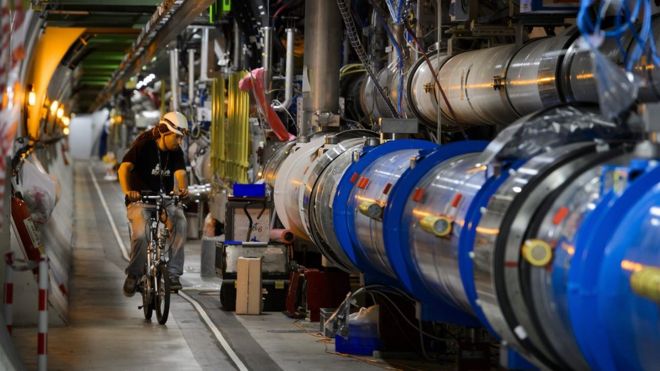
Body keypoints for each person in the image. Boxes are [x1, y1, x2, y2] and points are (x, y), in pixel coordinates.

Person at [118, 111, 190, 297]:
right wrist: (128, 192)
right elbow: (124, 168)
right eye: (177, 137)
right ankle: (134, 274)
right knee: (141, 234)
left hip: (163, 199)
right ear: (165, 132)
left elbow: (181, 173)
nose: (179, 142)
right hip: (140, 200)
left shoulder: (176, 152)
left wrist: (182, 190)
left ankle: (173, 274)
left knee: (180, 221)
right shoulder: (143, 146)